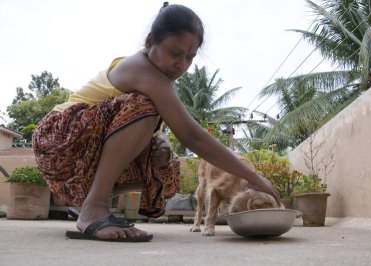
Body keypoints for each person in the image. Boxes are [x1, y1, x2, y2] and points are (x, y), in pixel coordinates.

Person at [32, 2, 281, 242]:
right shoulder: (144, 70)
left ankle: (93, 203)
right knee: (145, 107)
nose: (182, 65)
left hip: (79, 160)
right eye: (175, 53)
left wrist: (157, 139)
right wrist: (255, 178)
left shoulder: (157, 80)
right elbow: (192, 136)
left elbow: (133, 127)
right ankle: (93, 208)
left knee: (167, 163)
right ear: (151, 42)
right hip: (58, 140)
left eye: (190, 57)